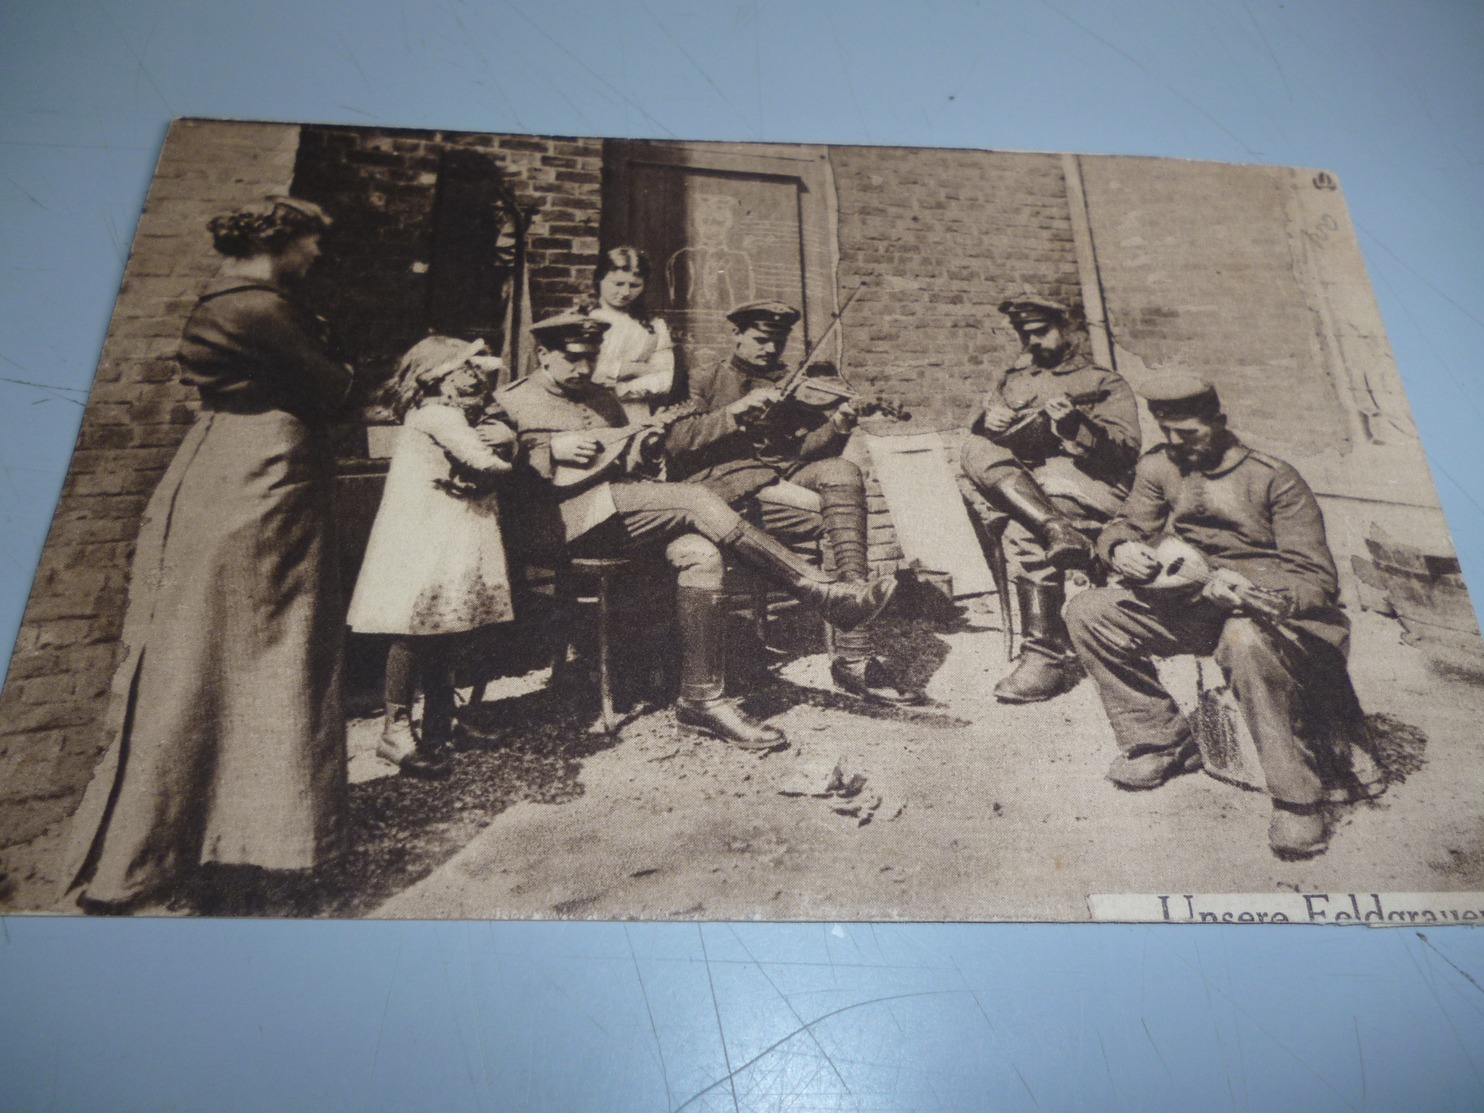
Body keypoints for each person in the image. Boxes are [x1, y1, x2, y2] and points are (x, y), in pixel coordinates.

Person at [63, 195, 355, 912]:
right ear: (280, 241)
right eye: (310, 243)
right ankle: (234, 851)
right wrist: (345, 366)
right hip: (263, 479)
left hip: (227, 468)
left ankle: (200, 845)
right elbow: (339, 389)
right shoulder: (262, 308)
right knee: (266, 655)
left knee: (208, 656)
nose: (316, 257)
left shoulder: (223, 300)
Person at [497, 312, 899, 748]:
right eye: (574, 358)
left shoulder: (602, 397)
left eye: (591, 357)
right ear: (543, 354)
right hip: (554, 525)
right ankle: (821, 591)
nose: (584, 368)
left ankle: (701, 702)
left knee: (699, 552)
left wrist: (643, 444)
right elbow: (490, 465)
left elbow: (629, 459)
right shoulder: (511, 401)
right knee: (693, 498)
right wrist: (548, 450)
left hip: (615, 513)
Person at [1064, 373, 1362, 858]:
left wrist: (1270, 596)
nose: (1179, 444)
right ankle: (1160, 742)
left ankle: (1297, 799)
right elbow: (1125, 523)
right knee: (1088, 611)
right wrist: (1119, 548)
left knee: (1245, 641)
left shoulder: (1273, 477)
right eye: (1168, 433)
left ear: (1219, 423)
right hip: (1192, 600)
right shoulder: (1160, 466)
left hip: (1271, 612)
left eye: (1190, 433)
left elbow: (1317, 578)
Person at [663, 300, 920, 705]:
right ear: (737, 335)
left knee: (841, 471)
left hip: (777, 480)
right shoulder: (705, 379)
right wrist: (733, 414)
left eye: (778, 343)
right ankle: (854, 649)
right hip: (726, 489)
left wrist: (838, 423)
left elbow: (801, 453)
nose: (769, 350)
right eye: (761, 340)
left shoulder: (788, 385)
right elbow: (676, 441)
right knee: (834, 519)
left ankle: (854, 649)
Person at [347, 335, 517, 779]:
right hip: (424, 535)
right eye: (466, 370)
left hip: (449, 529)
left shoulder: (450, 413)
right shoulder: (438, 415)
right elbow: (485, 463)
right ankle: (395, 730)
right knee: (415, 626)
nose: (477, 376)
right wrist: (513, 447)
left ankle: (442, 722)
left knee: (445, 624)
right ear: (440, 377)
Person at [961, 296, 1141, 703]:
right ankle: (1056, 528)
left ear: (1068, 328)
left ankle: (1044, 658)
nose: (1032, 341)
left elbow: (1126, 452)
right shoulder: (1014, 379)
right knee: (973, 448)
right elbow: (989, 440)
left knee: (1025, 531)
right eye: (1025, 334)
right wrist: (988, 422)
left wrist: (1076, 424)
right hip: (1031, 487)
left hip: (1089, 484)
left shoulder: (1104, 382)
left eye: (1040, 331)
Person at [586, 246, 676, 422]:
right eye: (618, 284)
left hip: (635, 412)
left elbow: (666, 378)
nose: (626, 292)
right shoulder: (583, 320)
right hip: (589, 410)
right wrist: (636, 369)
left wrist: (620, 388)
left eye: (634, 285)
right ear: (599, 280)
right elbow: (586, 374)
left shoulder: (654, 326)